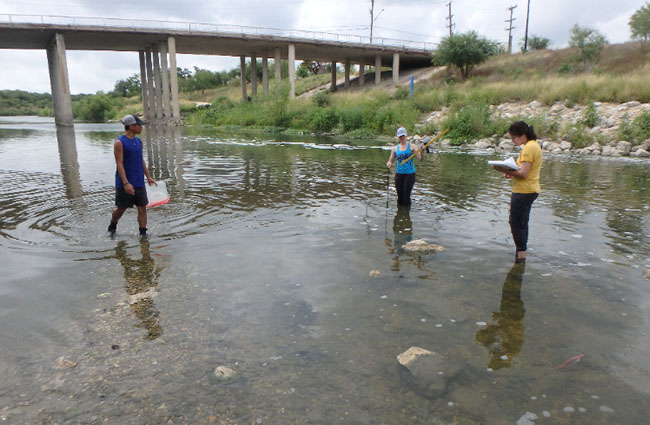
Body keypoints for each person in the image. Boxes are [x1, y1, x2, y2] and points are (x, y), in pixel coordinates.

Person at [493, 121, 542, 263]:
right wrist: (510, 171)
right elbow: (522, 170)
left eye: (514, 137)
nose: (512, 141)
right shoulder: (534, 146)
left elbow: (523, 173)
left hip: (524, 191)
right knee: (522, 222)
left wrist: (500, 168)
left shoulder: (528, 148)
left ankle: (521, 255)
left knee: (516, 222)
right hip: (530, 189)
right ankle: (521, 252)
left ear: (523, 135)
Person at [108, 114, 156, 237]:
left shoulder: (138, 141)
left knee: (142, 208)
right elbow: (119, 164)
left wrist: (148, 176)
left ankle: (143, 234)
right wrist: (126, 183)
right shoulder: (120, 142)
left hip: (139, 181)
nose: (141, 127)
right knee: (121, 209)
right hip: (125, 183)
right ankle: (113, 224)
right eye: (139, 125)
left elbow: (141, 160)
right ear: (131, 126)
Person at [386, 127, 425, 207]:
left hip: (410, 174)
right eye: (400, 136)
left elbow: (421, 159)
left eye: (403, 135)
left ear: (406, 136)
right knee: (400, 198)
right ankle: (400, 214)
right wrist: (389, 163)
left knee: (406, 197)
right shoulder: (395, 148)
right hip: (399, 174)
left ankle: (406, 215)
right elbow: (390, 160)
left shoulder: (412, 147)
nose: (402, 137)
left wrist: (423, 151)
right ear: (398, 137)